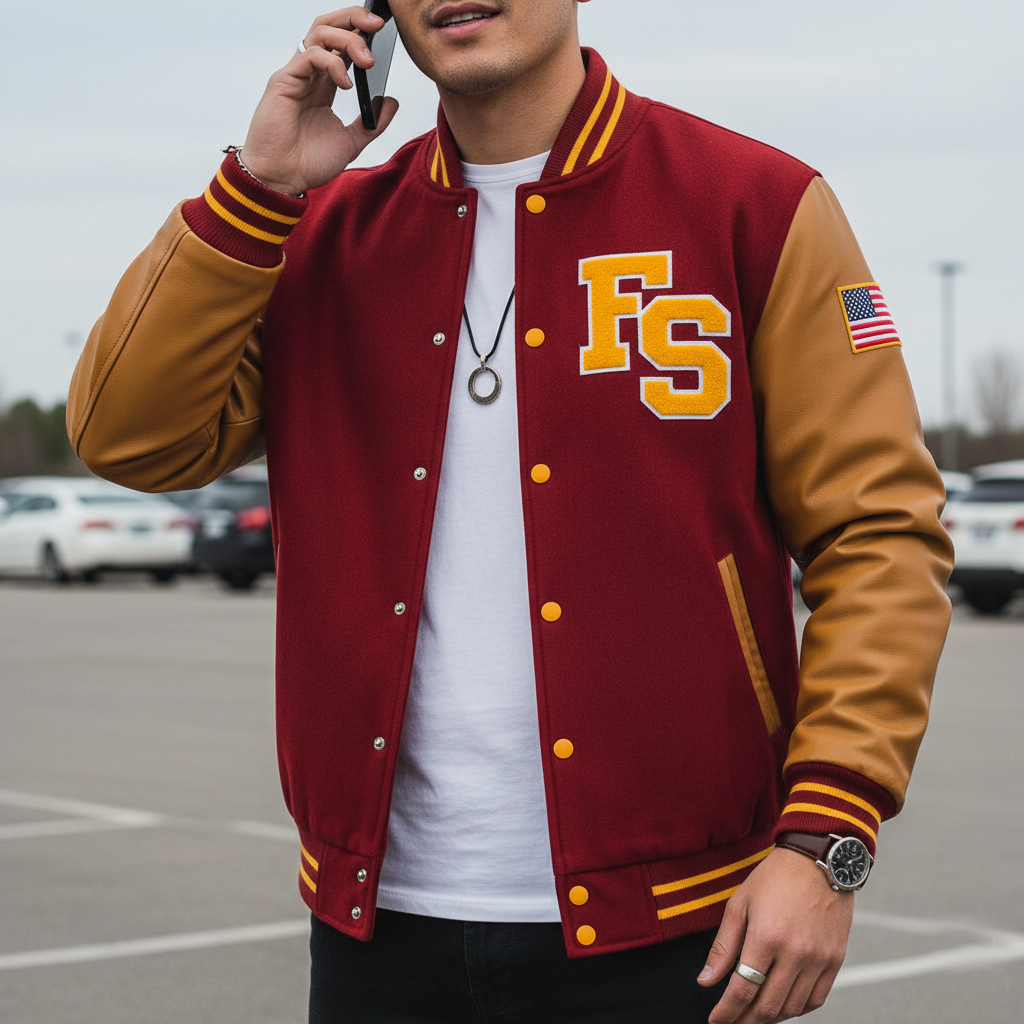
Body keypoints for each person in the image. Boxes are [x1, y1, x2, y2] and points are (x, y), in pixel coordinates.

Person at [67, 2, 954, 1021]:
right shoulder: (319, 234)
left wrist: (824, 841)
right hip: (377, 931)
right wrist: (256, 190)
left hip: (679, 929)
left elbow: (878, 534)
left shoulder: (754, 201)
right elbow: (129, 436)